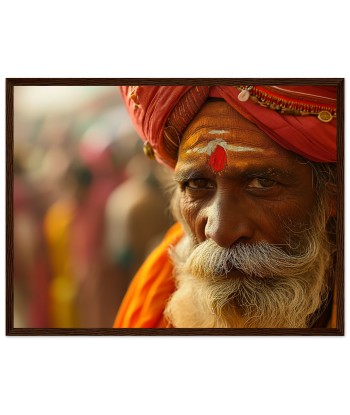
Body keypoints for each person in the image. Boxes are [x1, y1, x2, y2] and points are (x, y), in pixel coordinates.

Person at [113, 85, 338, 329]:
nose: (220, 232)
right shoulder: (154, 298)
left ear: (332, 194)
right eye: (197, 184)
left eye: (262, 183)